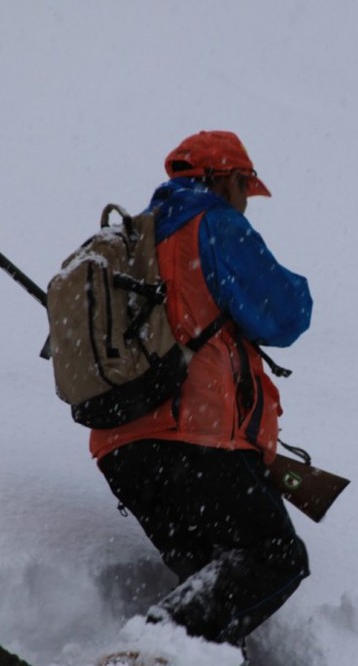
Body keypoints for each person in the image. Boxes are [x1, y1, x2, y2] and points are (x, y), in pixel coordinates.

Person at [92, 131, 313, 649]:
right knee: (276, 555)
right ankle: (146, 649)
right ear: (226, 180)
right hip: (192, 440)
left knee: (215, 575)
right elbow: (286, 314)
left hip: (121, 450)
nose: (245, 204)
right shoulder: (212, 225)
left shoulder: (134, 240)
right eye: (244, 188)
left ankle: (169, 653)